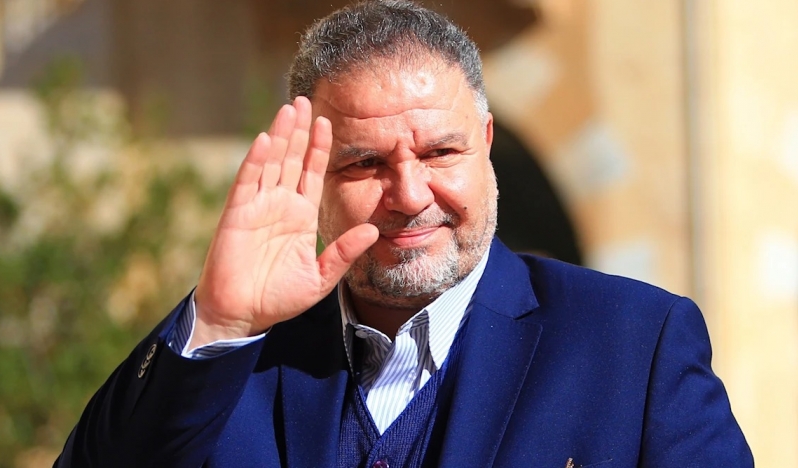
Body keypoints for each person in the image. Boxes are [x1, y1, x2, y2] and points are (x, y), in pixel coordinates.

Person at [55, 1, 753, 467]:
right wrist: (219, 324)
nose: (411, 195)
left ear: (485, 144)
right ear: (312, 174)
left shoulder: (634, 343)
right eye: (365, 163)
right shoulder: (230, 360)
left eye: (440, 153)